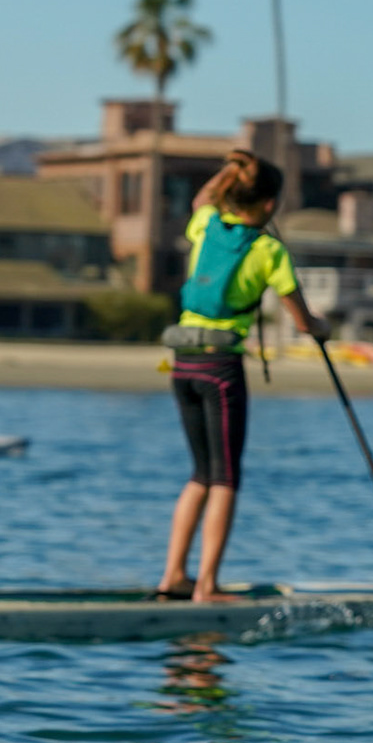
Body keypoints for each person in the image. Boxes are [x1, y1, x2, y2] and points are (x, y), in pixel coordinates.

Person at [156, 150, 328, 604]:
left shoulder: (207, 224)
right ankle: (206, 587)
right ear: (270, 205)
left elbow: (200, 200)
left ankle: (173, 576)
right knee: (226, 478)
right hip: (220, 370)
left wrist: (231, 170)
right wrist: (321, 329)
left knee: (200, 475)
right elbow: (305, 322)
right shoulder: (269, 249)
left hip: (183, 364)